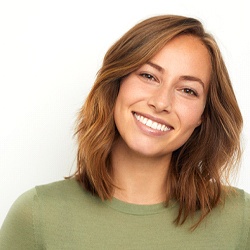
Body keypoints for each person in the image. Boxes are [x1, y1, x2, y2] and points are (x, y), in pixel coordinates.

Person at [0, 14, 249, 249]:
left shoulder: (239, 220)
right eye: (149, 76)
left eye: (187, 90)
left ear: (203, 115)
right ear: (117, 82)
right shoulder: (37, 216)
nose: (161, 102)